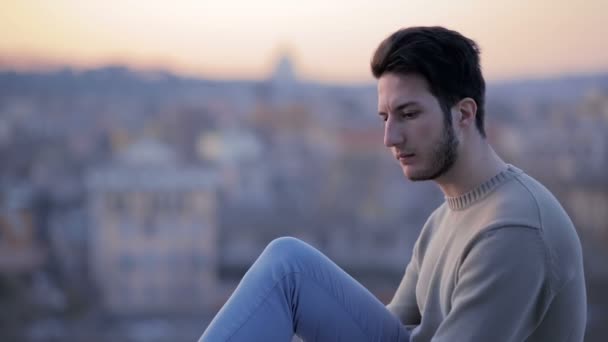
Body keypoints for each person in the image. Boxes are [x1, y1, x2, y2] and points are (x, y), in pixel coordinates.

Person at [199, 26, 587, 342]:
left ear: (464, 114)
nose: (390, 137)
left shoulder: (513, 230)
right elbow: (382, 328)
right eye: (385, 116)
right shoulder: (445, 218)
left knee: (289, 268)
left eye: (408, 114)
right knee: (288, 267)